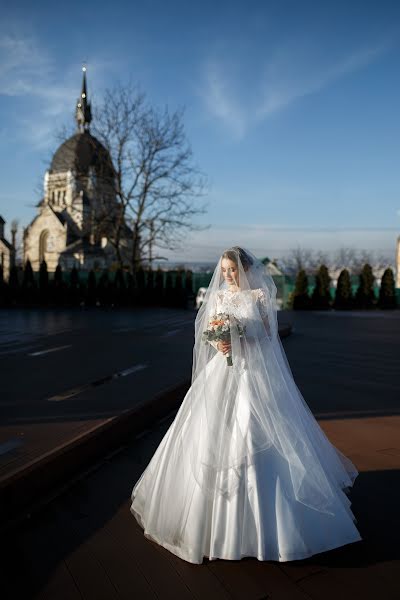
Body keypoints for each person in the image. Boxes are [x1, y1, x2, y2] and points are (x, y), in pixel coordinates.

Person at [130, 246, 362, 564]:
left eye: (232, 269)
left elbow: (269, 337)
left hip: (254, 372)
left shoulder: (260, 297)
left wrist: (242, 336)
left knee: (258, 433)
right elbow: (208, 331)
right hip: (223, 372)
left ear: (245, 269)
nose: (227, 275)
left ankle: (272, 529)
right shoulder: (220, 297)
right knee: (210, 434)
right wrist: (220, 340)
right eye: (223, 270)